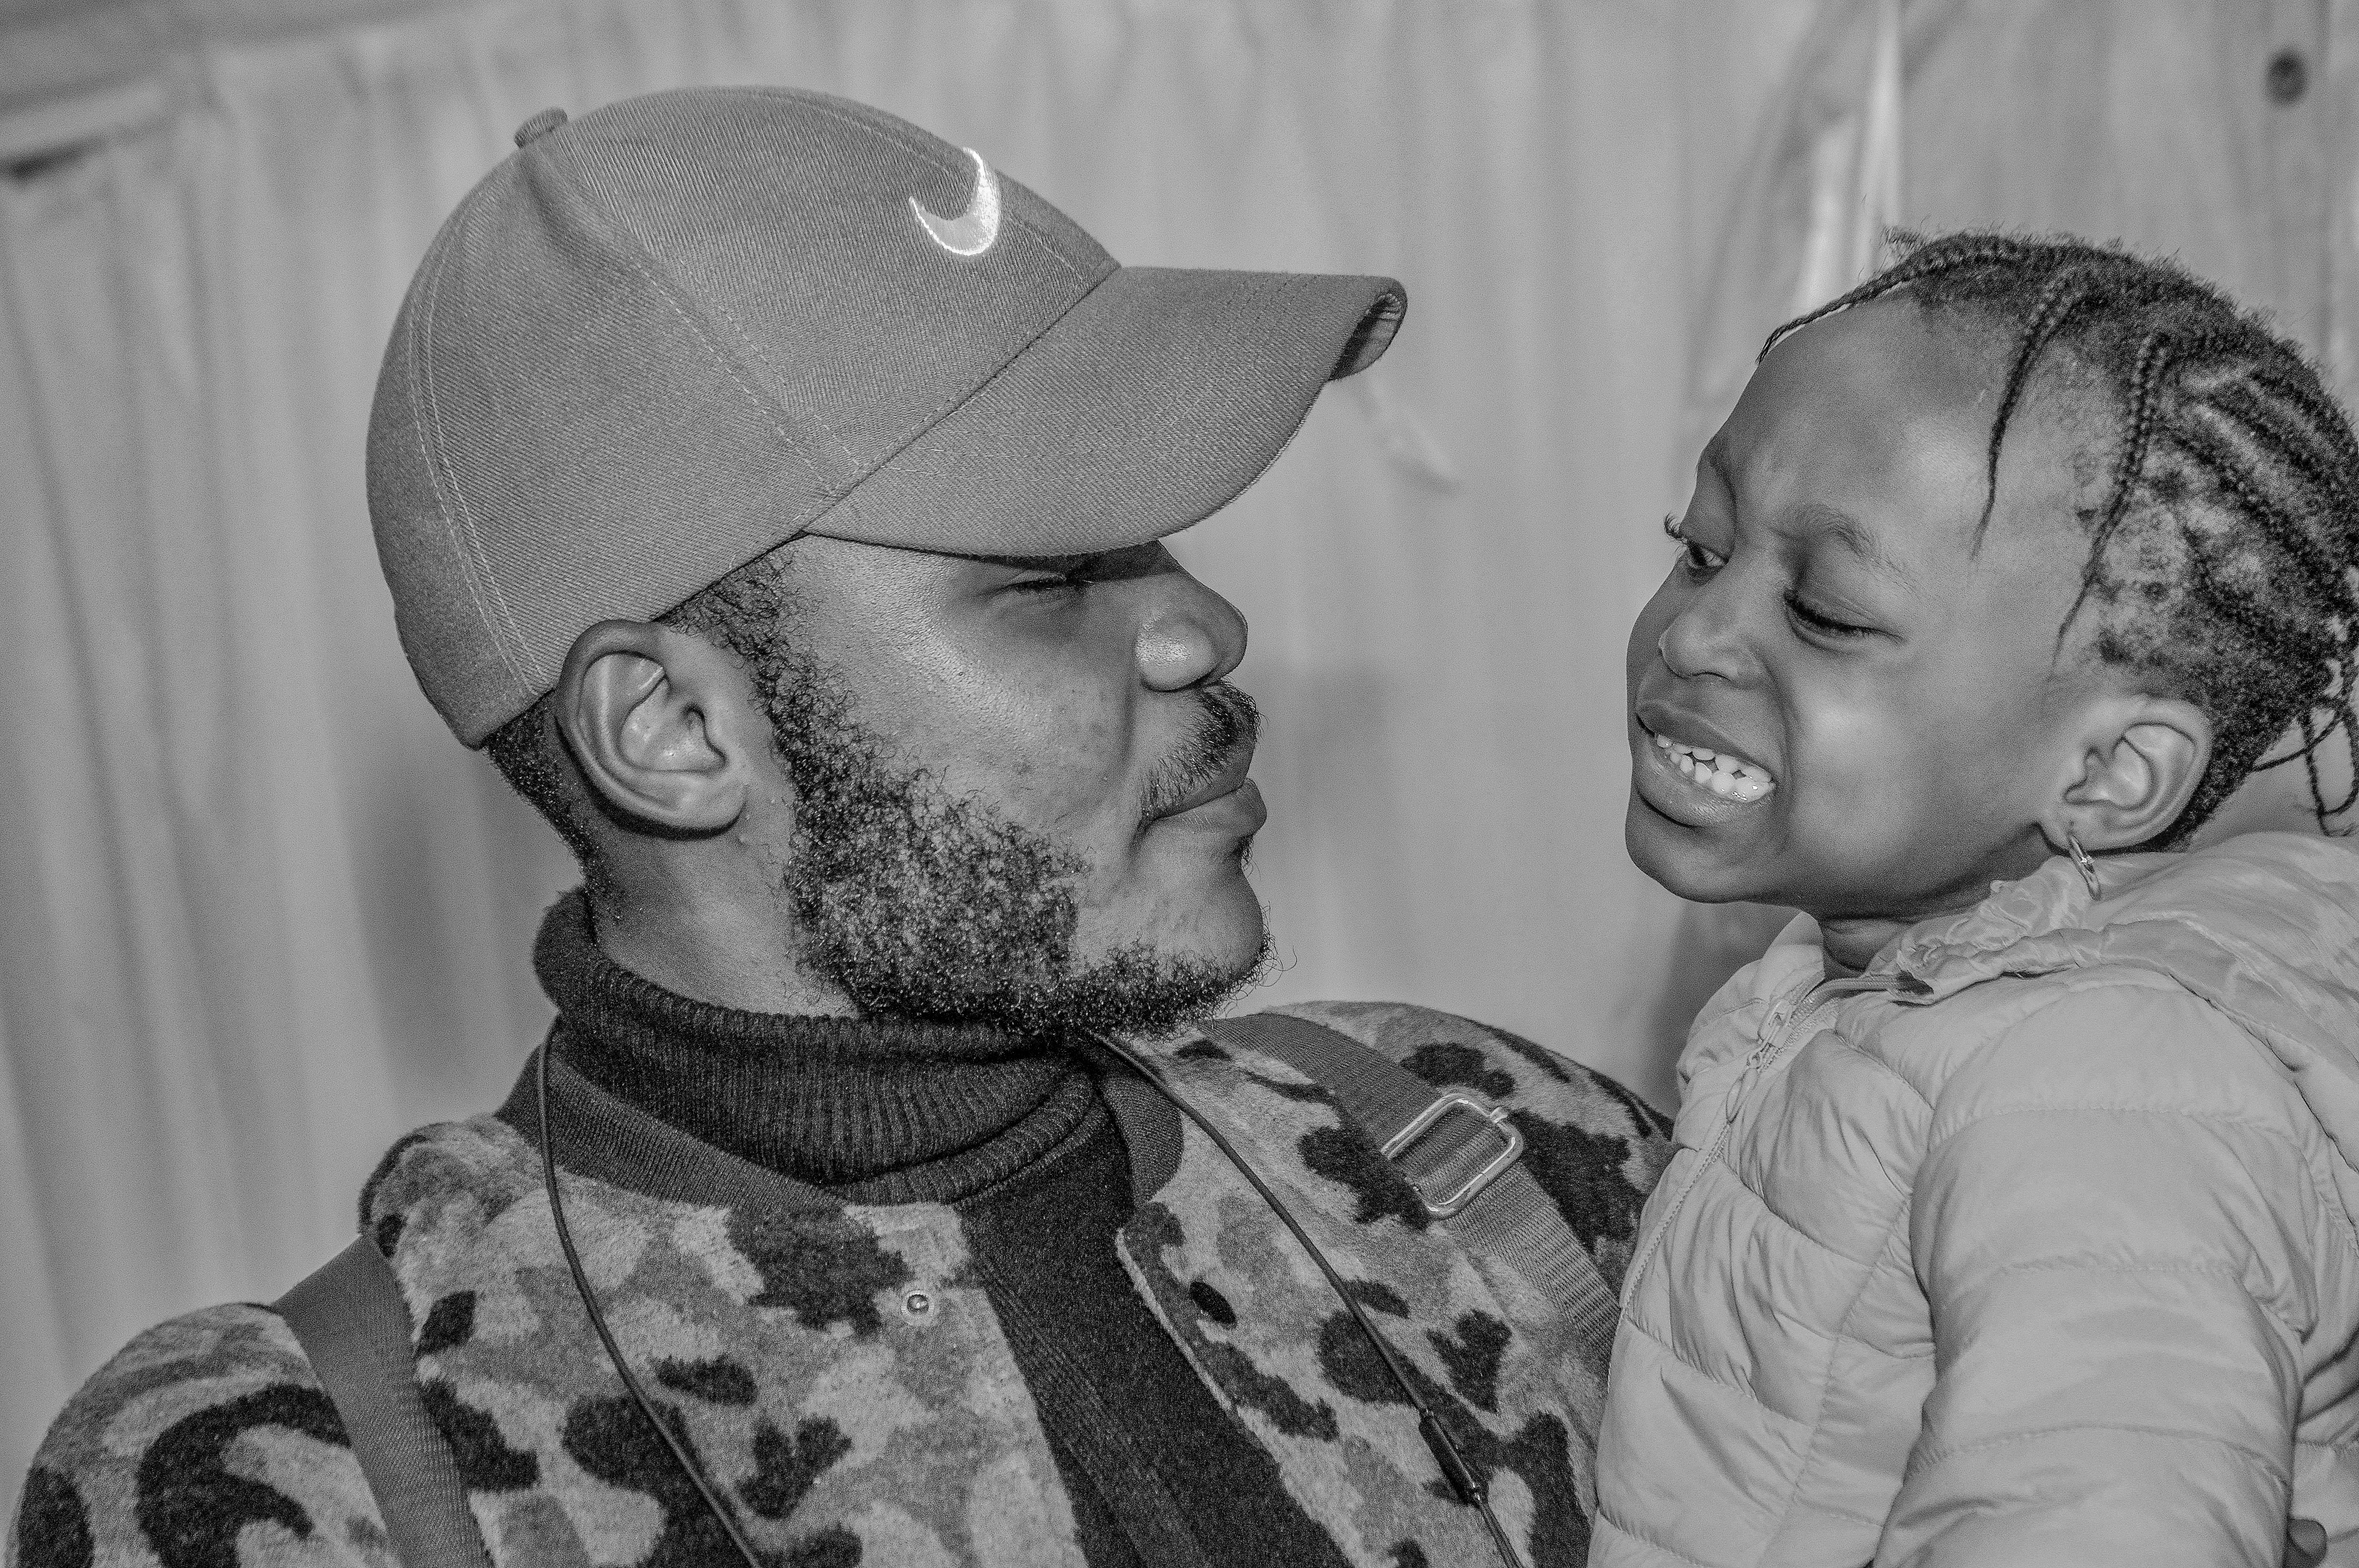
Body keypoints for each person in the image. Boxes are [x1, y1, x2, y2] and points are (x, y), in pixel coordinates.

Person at [9, 88, 1669, 1568]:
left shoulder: (1489, 1152)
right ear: (669, 732)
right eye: (1048, 579)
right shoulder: (286, 1480)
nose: (1202, 633)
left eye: (1158, 542)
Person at [1590, 230, 2359, 1567]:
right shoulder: (1880, 992)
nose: (1694, 633)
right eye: (1701, 549)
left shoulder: (2098, 1086)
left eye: (1826, 613)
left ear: (2111, 772)